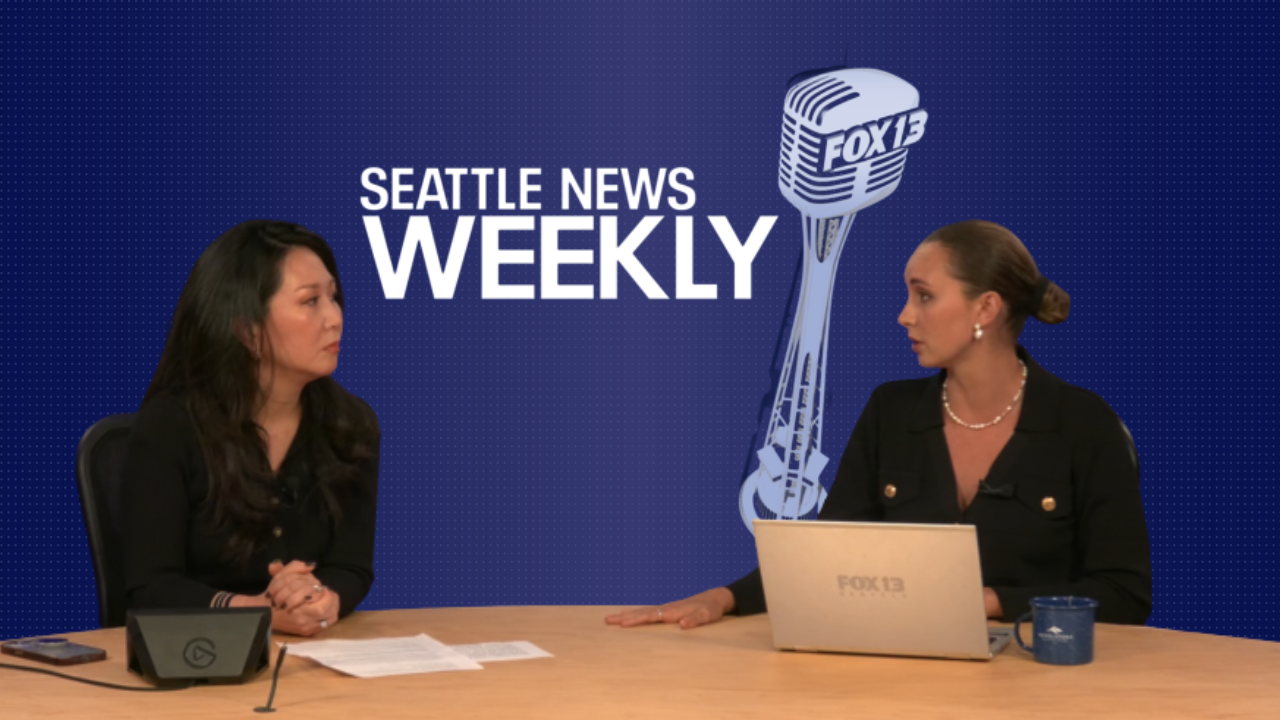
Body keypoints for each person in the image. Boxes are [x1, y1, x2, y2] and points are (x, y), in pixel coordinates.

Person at [606, 220, 1152, 629]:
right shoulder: (890, 410)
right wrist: (724, 599)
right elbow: (828, 557)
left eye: (925, 296)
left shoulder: (1085, 424)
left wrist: (985, 603)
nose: (904, 315)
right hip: (898, 684)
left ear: (985, 309)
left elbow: (1124, 594)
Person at [119, 220, 380, 636]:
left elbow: (351, 567)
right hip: (195, 656)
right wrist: (254, 610)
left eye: (333, 297)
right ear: (247, 330)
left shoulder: (350, 425)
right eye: (311, 301)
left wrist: (321, 598)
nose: (335, 317)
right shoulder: (172, 425)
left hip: (309, 657)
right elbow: (151, 587)